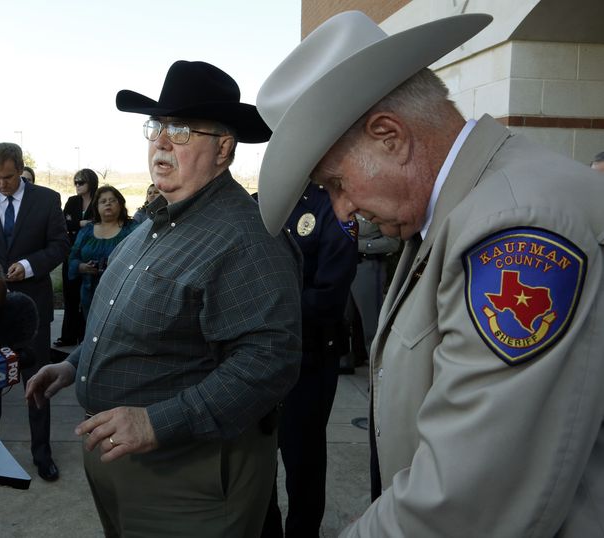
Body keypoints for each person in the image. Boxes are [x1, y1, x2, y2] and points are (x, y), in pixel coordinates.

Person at [255, 11, 604, 536]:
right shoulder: (462, 211)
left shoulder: (513, 228)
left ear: (390, 136)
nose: (342, 211)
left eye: (336, 183)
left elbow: (472, 499)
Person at [26, 60, 302, 537]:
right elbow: (133, 320)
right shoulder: (155, 221)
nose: (161, 141)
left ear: (224, 149)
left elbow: (269, 362)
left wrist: (157, 423)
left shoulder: (246, 235)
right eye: (156, 126)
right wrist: (78, 364)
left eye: (181, 129)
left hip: (186, 479)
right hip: (122, 462)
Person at [0, 142, 69, 481]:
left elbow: (60, 245)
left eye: (8, 177)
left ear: (20, 169)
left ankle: (42, 453)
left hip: (32, 307)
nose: (2, 183)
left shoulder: (47, 199)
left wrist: (29, 265)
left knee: (35, 382)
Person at [260, 183, 357, 537]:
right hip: (255, 357)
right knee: (257, 459)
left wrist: (262, 308)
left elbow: (330, 295)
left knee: (303, 458)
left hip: (309, 356)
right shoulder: (260, 204)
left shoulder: (329, 208)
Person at [67, 185, 137, 317]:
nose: (108, 203)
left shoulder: (133, 229)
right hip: (90, 295)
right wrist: (81, 267)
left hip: (122, 294)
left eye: (112, 200)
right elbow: (72, 258)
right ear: (96, 207)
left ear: (121, 204)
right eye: (103, 201)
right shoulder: (87, 230)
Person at [54, 168, 97, 347]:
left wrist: (76, 226)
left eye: (81, 182)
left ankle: (87, 337)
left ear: (91, 183)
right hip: (72, 254)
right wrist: (81, 223)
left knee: (89, 296)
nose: (77, 185)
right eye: (76, 182)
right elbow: (62, 223)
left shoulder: (98, 200)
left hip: (92, 253)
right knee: (70, 295)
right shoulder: (72, 201)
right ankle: (68, 336)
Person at [350, 215, 401, 356]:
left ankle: (378, 364)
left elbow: (393, 243)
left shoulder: (379, 203)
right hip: (341, 263)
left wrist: (359, 245)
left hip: (367, 265)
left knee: (372, 324)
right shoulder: (341, 199)